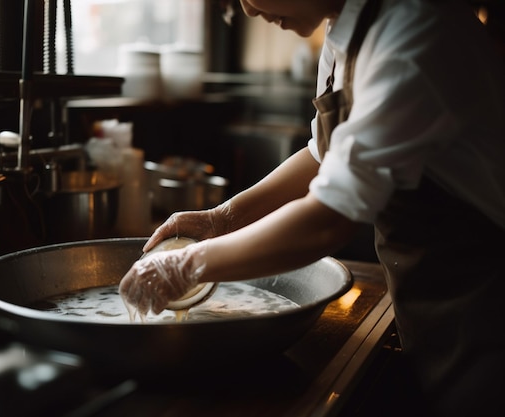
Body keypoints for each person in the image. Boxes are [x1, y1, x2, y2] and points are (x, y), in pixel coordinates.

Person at [119, 0, 505, 415]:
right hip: (432, 305)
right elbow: (324, 154)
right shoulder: (346, 32)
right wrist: (222, 219)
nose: (248, 10)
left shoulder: (415, 32)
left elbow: (327, 221)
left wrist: (188, 265)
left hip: (486, 307)